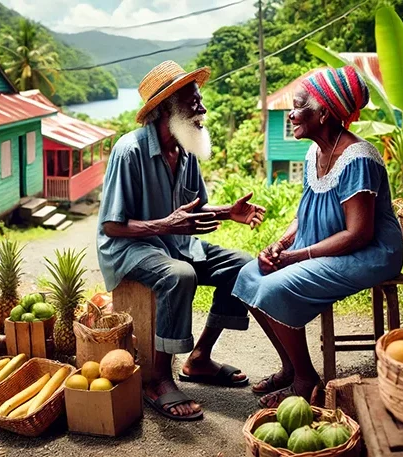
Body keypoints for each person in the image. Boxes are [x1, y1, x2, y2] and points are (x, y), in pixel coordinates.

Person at [96, 61, 266, 421]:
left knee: (242, 266)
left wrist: (226, 213)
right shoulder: (130, 151)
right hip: (129, 249)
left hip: (173, 244)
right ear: (167, 108)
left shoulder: (186, 150)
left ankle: (199, 359)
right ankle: (158, 379)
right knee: (180, 275)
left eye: (199, 100)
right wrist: (166, 224)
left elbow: (194, 210)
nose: (202, 108)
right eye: (193, 102)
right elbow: (112, 226)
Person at [232, 66, 403, 407]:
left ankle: (306, 380)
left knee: (274, 286)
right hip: (323, 243)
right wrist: (280, 245)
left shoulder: (359, 159)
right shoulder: (314, 152)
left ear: (324, 112)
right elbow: (304, 213)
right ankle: (290, 366)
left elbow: (359, 234)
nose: (292, 114)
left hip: (368, 253)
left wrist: (294, 257)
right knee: (249, 275)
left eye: (298, 106)